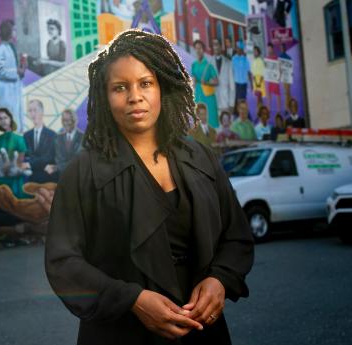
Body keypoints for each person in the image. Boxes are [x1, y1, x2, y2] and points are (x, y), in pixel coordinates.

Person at [45, 30, 254, 344]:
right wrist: (131, 300)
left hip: (202, 330)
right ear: (104, 97)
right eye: (120, 87)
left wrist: (220, 279)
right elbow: (63, 264)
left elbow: (236, 236)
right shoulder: (83, 171)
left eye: (146, 83)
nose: (134, 96)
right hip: (121, 334)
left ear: (162, 88)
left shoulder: (201, 157)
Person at [0, 19, 25, 132]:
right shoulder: (0, 49)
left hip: (14, 89)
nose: (16, 32)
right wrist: (17, 72)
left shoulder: (13, 46)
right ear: (8, 31)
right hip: (5, 92)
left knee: (16, 115)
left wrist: (22, 68)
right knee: (8, 119)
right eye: (14, 30)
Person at [0, 108, 28, 199]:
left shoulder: (19, 139)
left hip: (15, 178)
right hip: (2, 178)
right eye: (0, 119)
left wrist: (13, 167)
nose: (3, 121)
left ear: (10, 119)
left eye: (5, 117)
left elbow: (21, 159)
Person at [23, 99, 57, 183]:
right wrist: (42, 164)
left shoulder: (52, 135)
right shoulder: (26, 135)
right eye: (30, 111)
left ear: (42, 112)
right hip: (31, 178)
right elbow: (27, 156)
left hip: (47, 178)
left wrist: (31, 164)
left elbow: (49, 157)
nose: (33, 114)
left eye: (35, 110)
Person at [191, 40, 219, 128]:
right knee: (199, 118)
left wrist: (207, 82)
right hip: (198, 94)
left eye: (200, 48)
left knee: (211, 118)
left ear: (203, 50)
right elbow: (193, 79)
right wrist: (193, 81)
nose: (198, 50)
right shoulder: (194, 65)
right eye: (196, 48)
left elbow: (216, 81)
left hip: (208, 95)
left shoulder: (209, 65)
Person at [47, 109, 83, 176]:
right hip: (61, 178)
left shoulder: (83, 138)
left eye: (68, 120)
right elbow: (58, 159)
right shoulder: (58, 138)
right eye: (63, 120)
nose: (65, 123)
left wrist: (57, 168)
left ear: (74, 121)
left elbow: (77, 161)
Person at [211, 39, 235, 115]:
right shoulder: (209, 63)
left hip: (226, 102)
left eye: (217, 44)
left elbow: (232, 86)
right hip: (214, 103)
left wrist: (232, 104)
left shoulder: (228, 63)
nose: (216, 47)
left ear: (221, 47)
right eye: (214, 45)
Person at [231, 41, 250, 107]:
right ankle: (239, 112)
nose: (238, 49)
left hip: (244, 82)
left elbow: (248, 71)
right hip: (236, 82)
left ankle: (244, 110)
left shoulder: (245, 59)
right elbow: (232, 71)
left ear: (242, 49)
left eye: (240, 48)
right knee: (238, 98)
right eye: (237, 48)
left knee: (243, 98)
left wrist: (252, 83)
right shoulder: (233, 58)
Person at [266, 43, 281, 113]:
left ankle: (279, 110)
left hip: (275, 79)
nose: (269, 49)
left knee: (278, 94)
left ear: (272, 48)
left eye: (270, 48)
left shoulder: (276, 57)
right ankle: (269, 109)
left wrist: (279, 76)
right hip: (270, 79)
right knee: (269, 93)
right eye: (268, 48)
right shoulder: (266, 58)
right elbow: (265, 69)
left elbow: (279, 68)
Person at [278, 43, 292, 111]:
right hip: (284, 77)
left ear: (285, 48)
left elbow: (290, 67)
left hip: (288, 76)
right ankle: (288, 107)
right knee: (287, 92)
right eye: (281, 48)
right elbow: (279, 68)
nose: (282, 49)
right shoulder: (280, 57)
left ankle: (287, 108)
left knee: (287, 92)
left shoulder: (288, 57)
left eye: (283, 47)